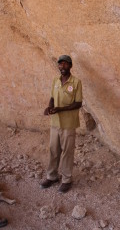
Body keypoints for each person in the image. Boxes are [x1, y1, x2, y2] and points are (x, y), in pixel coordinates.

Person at [41, 55, 82, 193]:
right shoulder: (55, 81)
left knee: (67, 152)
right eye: (60, 64)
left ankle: (66, 179)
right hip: (55, 122)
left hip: (69, 124)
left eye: (65, 64)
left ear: (70, 66)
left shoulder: (76, 82)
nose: (62, 67)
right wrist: (50, 107)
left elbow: (78, 103)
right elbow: (52, 97)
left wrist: (61, 109)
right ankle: (52, 176)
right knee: (53, 150)